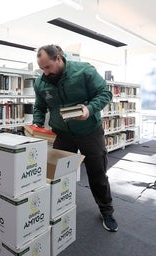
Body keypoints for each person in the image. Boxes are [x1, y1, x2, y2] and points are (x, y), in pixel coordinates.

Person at [32, 44, 118, 232]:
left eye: (48, 67)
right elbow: (39, 106)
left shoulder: (84, 71)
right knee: (58, 175)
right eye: (42, 68)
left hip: (90, 132)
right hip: (63, 134)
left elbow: (105, 93)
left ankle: (106, 211)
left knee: (97, 174)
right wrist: (37, 124)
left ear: (59, 58)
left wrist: (89, 109)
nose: (45, 72)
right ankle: (57, 211)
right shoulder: (40, 82)